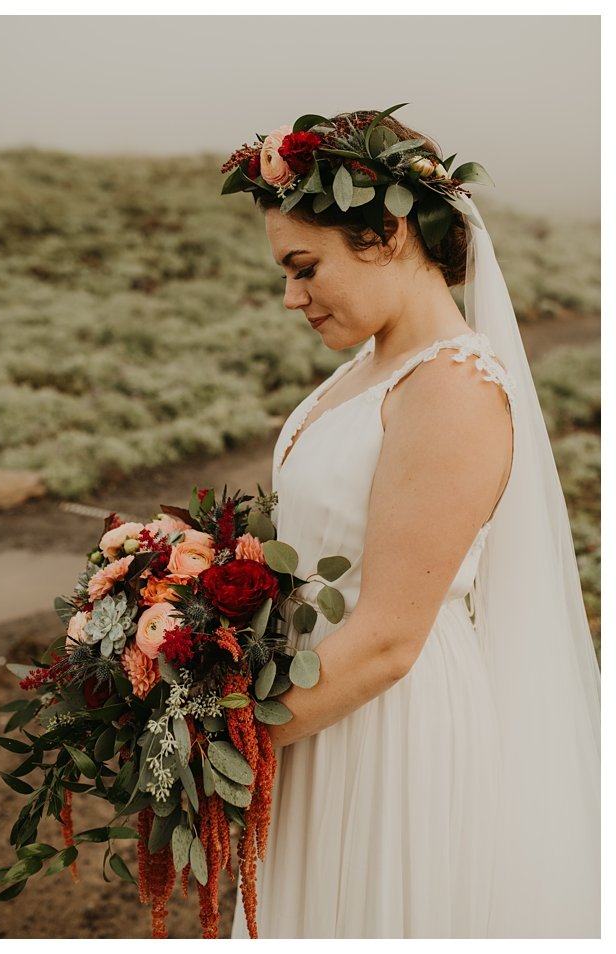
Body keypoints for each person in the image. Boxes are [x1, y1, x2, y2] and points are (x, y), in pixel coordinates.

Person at [229, 109, 598, 937]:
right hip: (313, 710)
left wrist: (220, 734)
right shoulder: (371, 366)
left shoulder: (451, 391)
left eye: (304, 266)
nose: (291, 298)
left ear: (387, 232)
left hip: (385, 731)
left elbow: (392, 638)